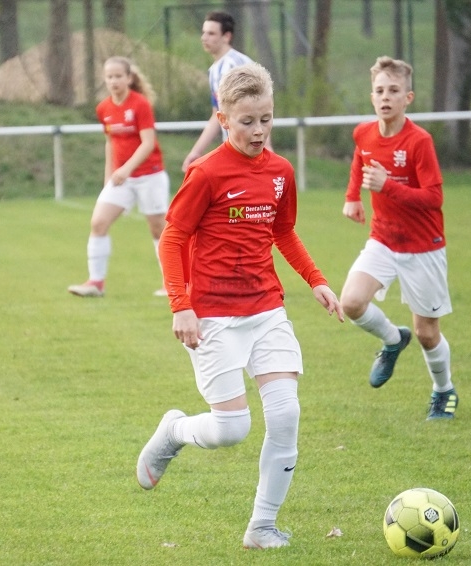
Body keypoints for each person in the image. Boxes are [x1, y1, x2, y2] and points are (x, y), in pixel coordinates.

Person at [136, 62, 344, 550]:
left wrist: (316, 280)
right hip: (212, 315)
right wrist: (180, 305)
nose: (258, 130)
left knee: (286, 414)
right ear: (223, 119)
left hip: (266, 308)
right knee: (232, 429)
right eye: (247, 121)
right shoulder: (206, 173)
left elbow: (283, 232)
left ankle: (262, 526)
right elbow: (173, 239)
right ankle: (174, 431)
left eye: (266, 119)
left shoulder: (280, 172)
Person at [339, 56, 458, 420]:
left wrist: (387, 187)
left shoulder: (419, 142)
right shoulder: (364, 133)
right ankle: (393, 339)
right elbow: (360, 159)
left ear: (408, 98)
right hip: (384, 239)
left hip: (423, 247)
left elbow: (434, 198)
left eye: (393, 90)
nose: (385, 97)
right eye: (379, 91)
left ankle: (444, 391)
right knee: (351, 302)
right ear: (372, 97)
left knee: (427, 333)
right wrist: (352, 197)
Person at [68, 56, 170, 298]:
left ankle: (173, 284)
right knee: (98, 223)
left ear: (129, 78)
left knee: (158, 230)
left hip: (150, 176)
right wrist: (109, 178)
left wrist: (126, 169)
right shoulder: (103, 108)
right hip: (122, 178)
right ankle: (96, 283)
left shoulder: (140, 104)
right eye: (109, 77)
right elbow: (110, 143)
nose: (113, 81)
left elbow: (148, 143)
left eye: (118, 76)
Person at [182, 11, 270, 171]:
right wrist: (196, 151)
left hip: (249, 152)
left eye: (211, 33)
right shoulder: (214, 70)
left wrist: (267, 148)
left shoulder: (234, 66)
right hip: (234, 151)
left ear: (226, 36)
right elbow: (216, 114)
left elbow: (259, 109)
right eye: (203, 32)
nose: (204, 38)